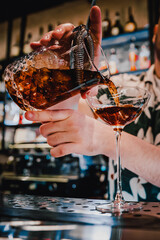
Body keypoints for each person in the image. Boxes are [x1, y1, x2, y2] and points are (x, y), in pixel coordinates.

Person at [25, 6, 160, 201]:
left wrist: (102, 137)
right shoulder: (124, 87)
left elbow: (93, 132)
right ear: (155, 33)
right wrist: (67, 76)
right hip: (120, 227)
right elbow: (67, 113)